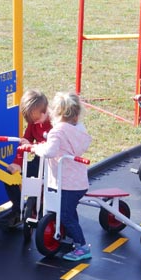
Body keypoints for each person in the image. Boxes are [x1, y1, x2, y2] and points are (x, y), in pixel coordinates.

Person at [32, 91, 93, 261]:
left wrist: (36, 148)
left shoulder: (57, 132)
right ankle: (72, 236)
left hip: (65, 183)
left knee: (65, 214)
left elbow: (50, 152)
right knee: (69, 211)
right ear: (76, 113)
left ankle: (82, 246)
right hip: (78, 182)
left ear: (56, 112)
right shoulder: (79, 130)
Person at [0, 89, 53, 229]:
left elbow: (53, 147)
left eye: (36, 119)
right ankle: (18, 209)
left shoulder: (55, 124)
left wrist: (33, 146)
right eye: (31, 121)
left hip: (53, 165)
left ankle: (42, 208)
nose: (34, 123)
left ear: (45, 111)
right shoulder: (33, 123)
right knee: (10, 175)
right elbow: (24, 142)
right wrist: (17, 163)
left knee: (44, 186)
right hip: (39, 161)